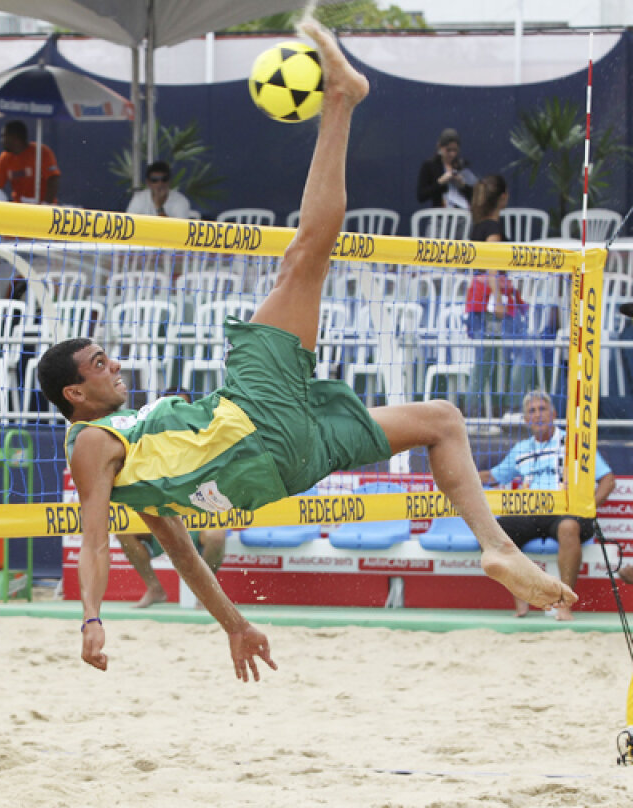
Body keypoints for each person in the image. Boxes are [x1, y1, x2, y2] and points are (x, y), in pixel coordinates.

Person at [36, 18, 575, 680]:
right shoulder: (94, 443)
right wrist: (91, 619)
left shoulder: (141, 478)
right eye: (98, 364)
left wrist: (236, 626)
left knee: (443, 421)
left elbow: (183, 554)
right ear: (75, 395)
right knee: (304, 256)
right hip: (251, 422)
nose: (113, 364)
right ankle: (341, 98)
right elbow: (94, 541)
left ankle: (496, 547)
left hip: (277, 472)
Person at [479, 391, 614, 620]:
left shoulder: (574, 444)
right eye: (532, 411)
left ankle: (563, 605)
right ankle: (522, 602)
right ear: (525, 419)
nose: (538, 415)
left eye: (542, 409)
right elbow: (492, 476)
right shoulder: (521, 449)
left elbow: (608, 481)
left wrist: (588, 508)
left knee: (568, 527)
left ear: (553, 414)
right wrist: (453, 474)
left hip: (567, 512)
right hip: (531, 512)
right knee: (496, 533)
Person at [464, 175, 532, 420]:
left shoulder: (477, 227)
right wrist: (499, 298)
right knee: (525, 352)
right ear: (503, 197)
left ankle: (471, 415)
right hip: (493, 299)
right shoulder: (493, 229)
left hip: (478, 298)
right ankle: (514, 408)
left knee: (485, 358)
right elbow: (491, 264)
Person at [0, 120, 59, 204]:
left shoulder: (41, 152)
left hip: (43, 206)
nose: (1, 140)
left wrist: (46, 204)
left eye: (4, 136)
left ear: (15, 137)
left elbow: (53, 179)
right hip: (20, 207)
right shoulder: (4, 157)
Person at [416, 128, 476, 209]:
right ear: (439, 147)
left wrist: (462, 185)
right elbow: (421, 196)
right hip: (440, 215)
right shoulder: (429, 165)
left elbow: (476, 195)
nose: (452, 154)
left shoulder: (463, 165)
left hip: (463, 215)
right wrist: (440, 182)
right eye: (448, 150)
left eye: (455, 150)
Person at [126, 161, 192, 219]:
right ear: (148, 183)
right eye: (154, 180)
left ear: (169, 181)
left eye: (164, 179)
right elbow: (129, 225)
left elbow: (177, 230)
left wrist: (159, 207)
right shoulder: (139, 199)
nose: (160, 184)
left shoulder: (181, 201)